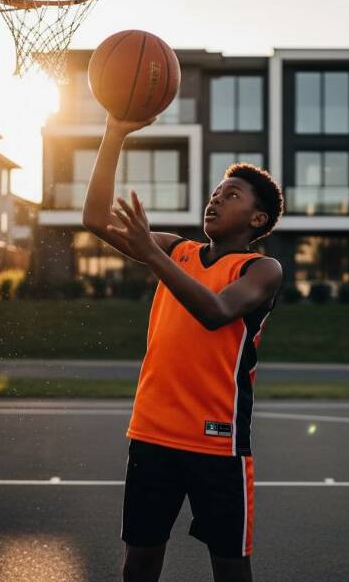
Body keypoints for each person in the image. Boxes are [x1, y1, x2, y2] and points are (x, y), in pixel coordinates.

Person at [82, 114, 284, 582]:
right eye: (215, 192)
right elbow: (94, 218)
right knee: (140, 562)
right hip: (153, 432)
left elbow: (215, 311)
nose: (216, 198)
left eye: (231, 195)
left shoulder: (260, 269)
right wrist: (114, 131)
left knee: (230, 568)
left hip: (217, 441)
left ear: (258, 219)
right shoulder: (180, 251)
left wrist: (150, 254)